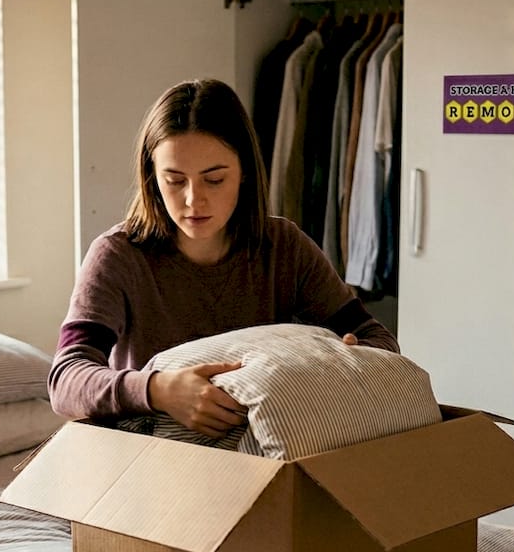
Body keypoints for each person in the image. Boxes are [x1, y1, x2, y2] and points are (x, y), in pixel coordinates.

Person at [48, 78, 400, 440]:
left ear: (244, 172)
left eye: (214, 180)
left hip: (262, 450)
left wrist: (345, 361)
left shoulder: (283, 247)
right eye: (174, 180)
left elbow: (378, 340)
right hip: (153, 457)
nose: (193, 200)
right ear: (152, 177)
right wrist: (160, 391)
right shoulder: (118, 256)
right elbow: (65, 380)